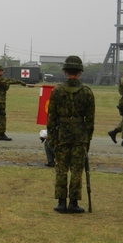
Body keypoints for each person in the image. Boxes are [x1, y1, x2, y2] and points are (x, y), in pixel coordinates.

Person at [47, 55, 95, 214]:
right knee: (76, 169)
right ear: (80, 72)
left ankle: (61, 202)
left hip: (62, 135)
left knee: (61, 168)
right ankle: (73, 202)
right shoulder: (87, 92)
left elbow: (51, 118)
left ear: (65, 72)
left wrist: (52, 138)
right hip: (80, 136)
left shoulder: (57, 91)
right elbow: (90, 120)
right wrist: (87, 139)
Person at [0, 64, 33, 141]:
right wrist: (21, 82)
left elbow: (7, 84)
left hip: (0, 100)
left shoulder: (0, 79)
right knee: (2, 118)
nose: (1, 72)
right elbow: (8, 81)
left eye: (2, 70)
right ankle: (1, 134)